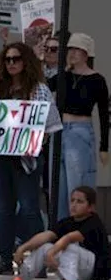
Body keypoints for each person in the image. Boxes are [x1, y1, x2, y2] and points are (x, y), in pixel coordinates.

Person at [0, 42, 61, 275]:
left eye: (16, 59)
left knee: (29, 209)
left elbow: (49, 125)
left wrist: (35, 143)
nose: (12, 63)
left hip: (26, 159)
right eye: (7, 60)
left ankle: (37, 263)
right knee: (3, 208)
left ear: (26, 61)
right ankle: (4, 259)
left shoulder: (39, 90)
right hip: (1, 158)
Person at [0, 186, 109, 280]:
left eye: (80, 201)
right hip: (76, 269)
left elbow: (69, 238)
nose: (74, 205)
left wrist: (52, 253)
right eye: (72, 201)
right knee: (44, 247)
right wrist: (22, 248)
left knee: (68, 247)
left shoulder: (94, 222)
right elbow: (46, 235)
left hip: (96, 271)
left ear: (91, 207)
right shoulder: (67, 222)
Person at [51, 32, 107, 220]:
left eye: (78, 50)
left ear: (86, 54)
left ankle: (79, 233)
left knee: (77, 183)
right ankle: (61, 230)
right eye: (70, 49)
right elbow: (40, 84)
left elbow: (103, 113)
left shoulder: (97, 79)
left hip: (80, 130)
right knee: (57, 185)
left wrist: (104, 146)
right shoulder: (63, 76)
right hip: (60, 129)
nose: (72, 53)